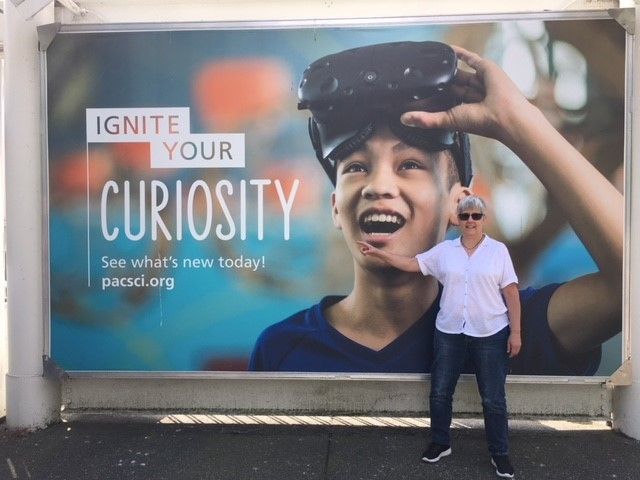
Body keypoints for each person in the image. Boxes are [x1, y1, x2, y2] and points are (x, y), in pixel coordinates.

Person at [248, 41, 622, 376]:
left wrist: (515, 120)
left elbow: (629, 288)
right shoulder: (282, 350)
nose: (378, 186)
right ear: (335, 207)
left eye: (409, 165)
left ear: (458, 206)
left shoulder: (506, 329)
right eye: (357, 167)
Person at [358, 194, 520, 478]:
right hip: (450, 332)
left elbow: (511, 293)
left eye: (476, 216)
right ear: (457, 220)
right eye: (465, 215)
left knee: (493, 399)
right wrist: (379, 252)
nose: (470, 221)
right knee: (441, 392)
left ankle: (500, 454)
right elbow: (412, 264)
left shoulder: (498, 251)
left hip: (490, 333)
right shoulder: (445, 251)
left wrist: (515, 332)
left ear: (483, 220)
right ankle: (440, 443)